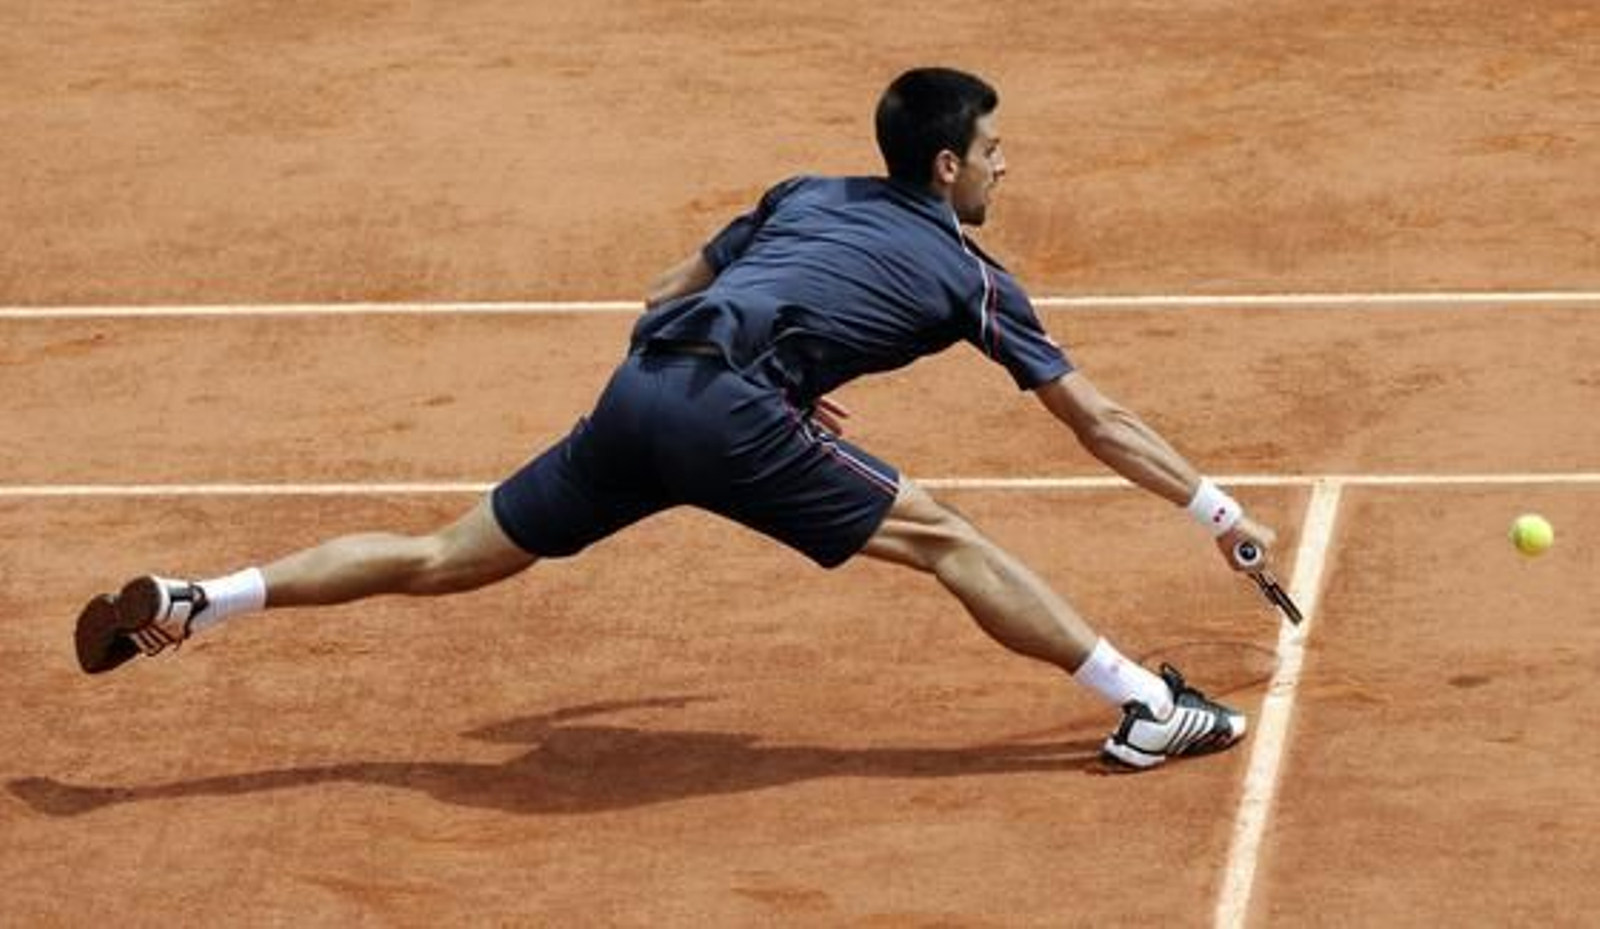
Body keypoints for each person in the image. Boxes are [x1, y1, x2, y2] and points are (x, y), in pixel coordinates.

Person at [75, 67, 1278, 770]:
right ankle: (1143, 706)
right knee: (947, 536)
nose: (1005, 169)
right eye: (994, 152)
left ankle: (200, 598)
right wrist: (1211, 505)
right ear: (947, 171)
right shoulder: (970, 278)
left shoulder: (804, 191)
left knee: (447, 554)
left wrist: (740, 375)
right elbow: (1096, 416)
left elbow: (664, 292)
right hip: (730, 412)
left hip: (647, 388)